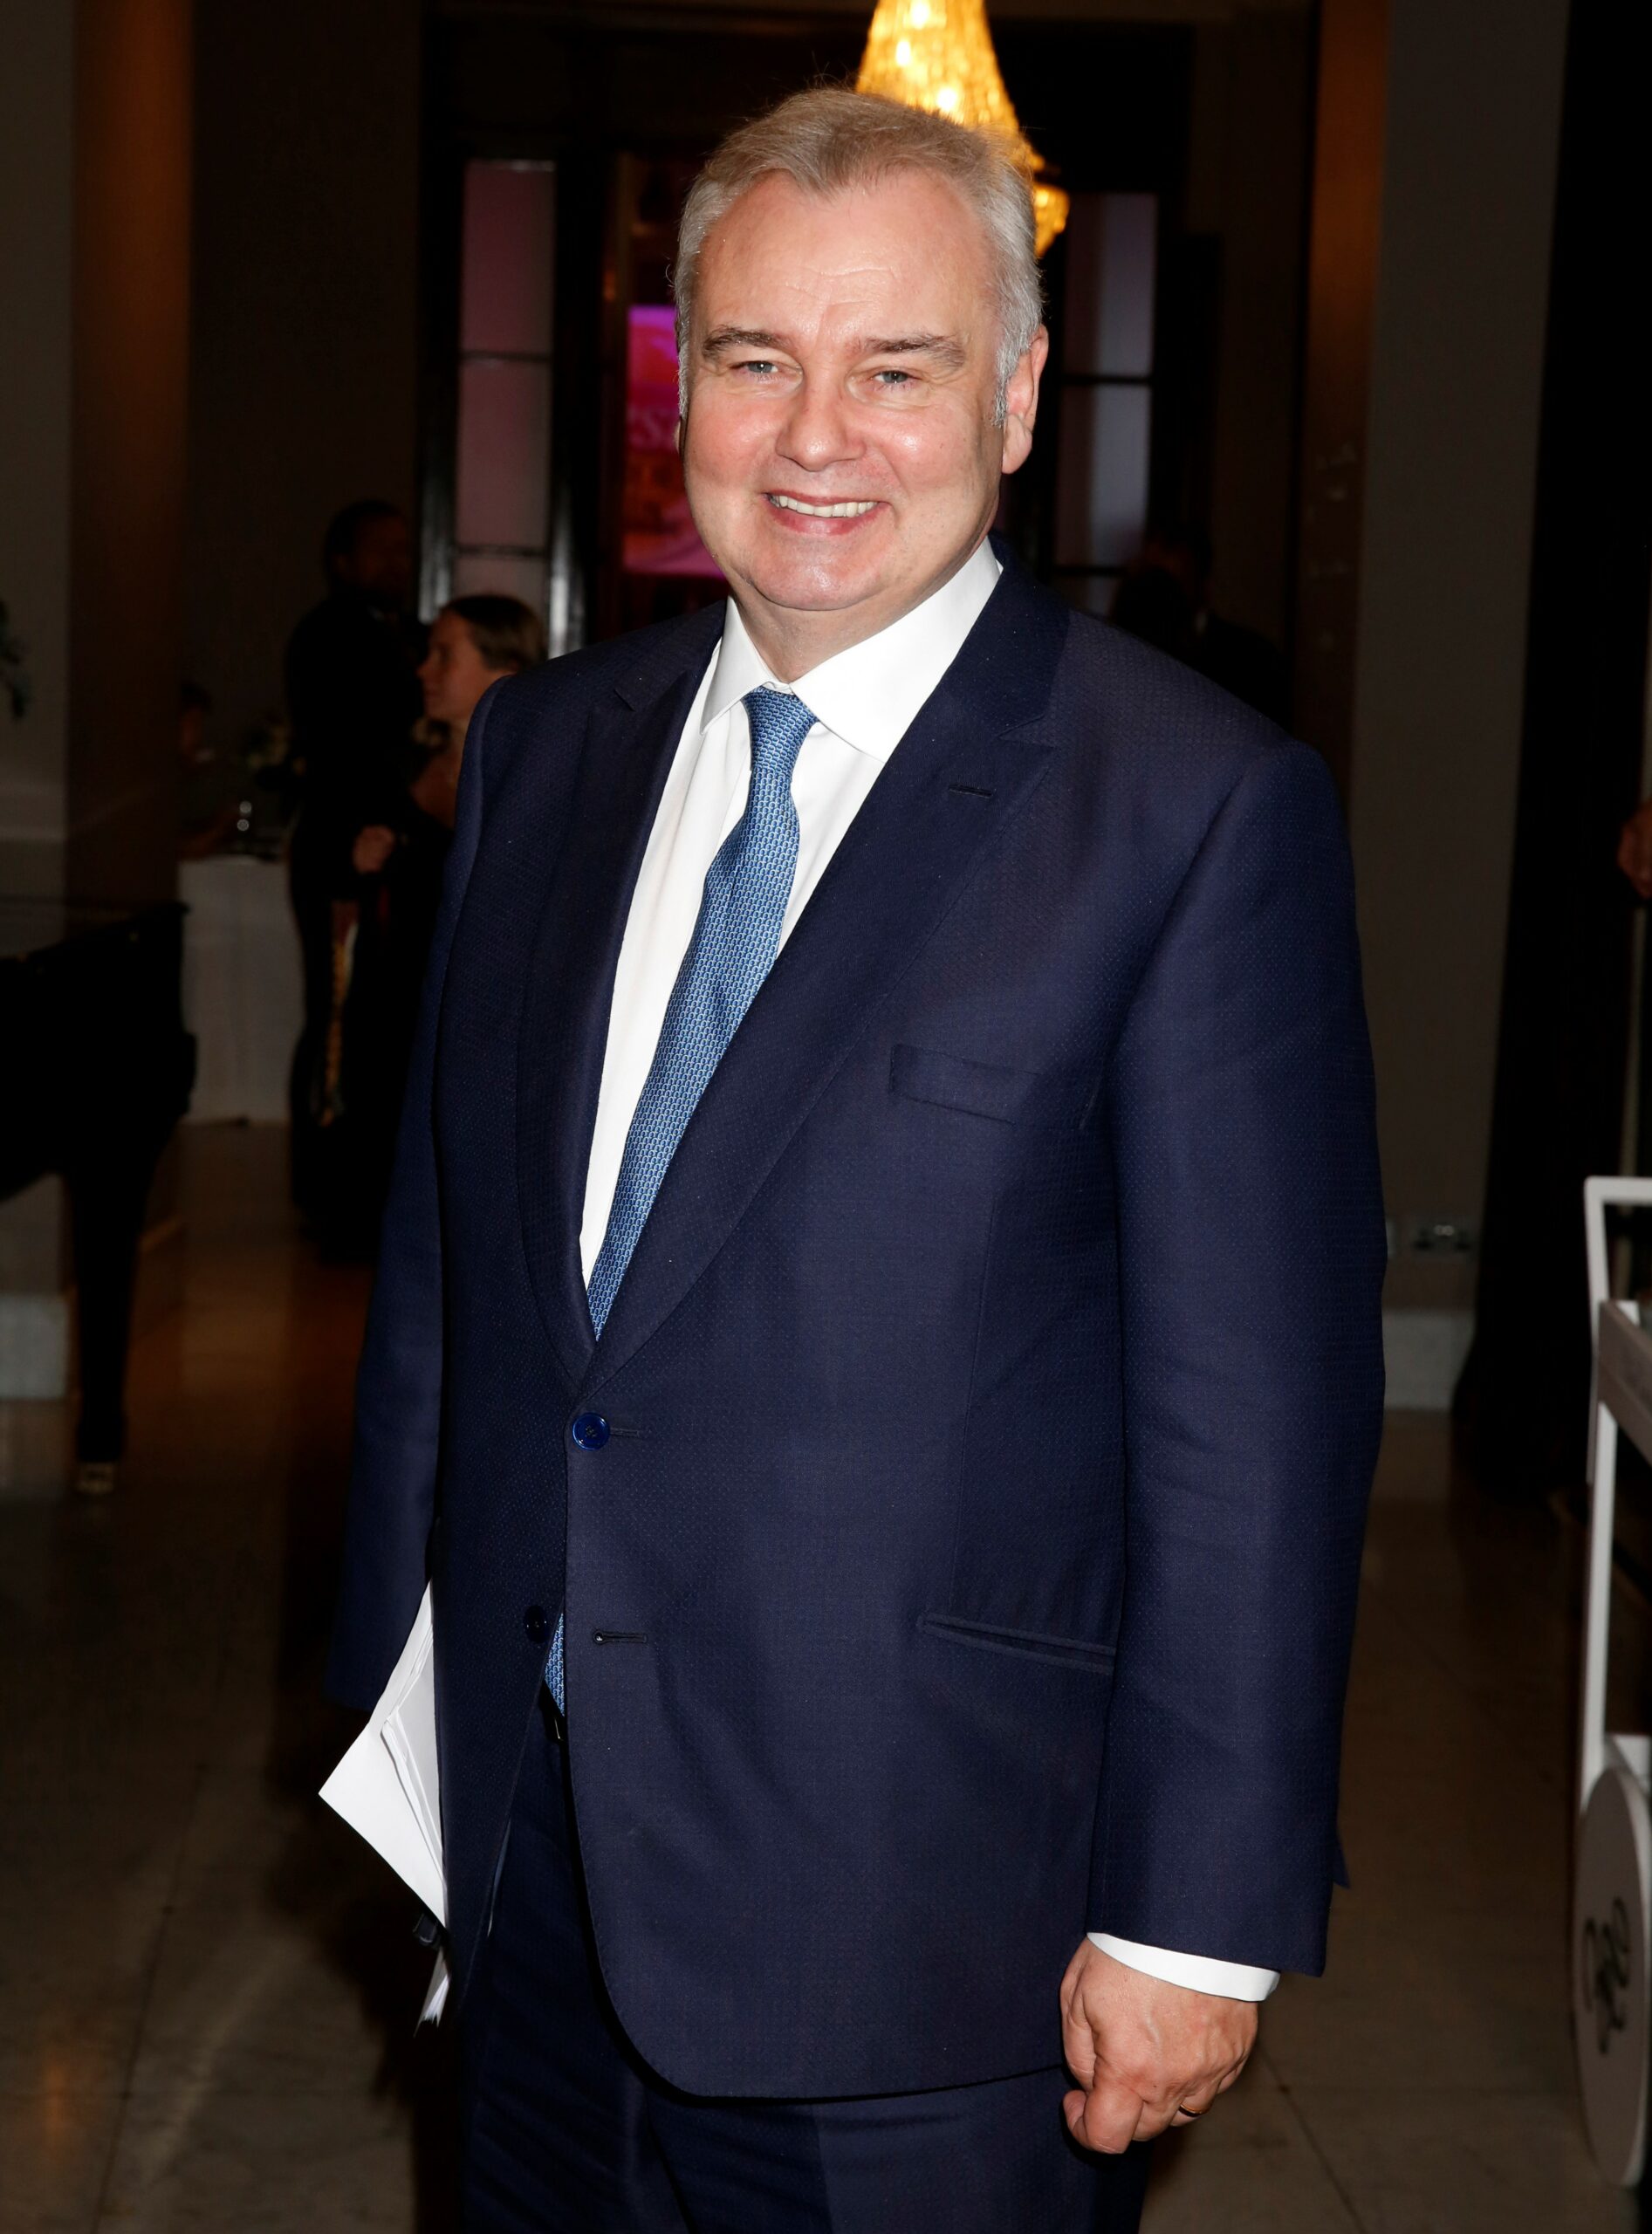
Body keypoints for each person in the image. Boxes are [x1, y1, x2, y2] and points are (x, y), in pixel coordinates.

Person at [329, 87, 1384, 2233]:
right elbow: (452, 1292)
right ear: (681, 394)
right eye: (754, 359)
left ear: (1014, 396)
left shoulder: (1187, 810)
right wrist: (403, 1736)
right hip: (534, 1883)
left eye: (896, 368)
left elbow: (1254, 1419)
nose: (815, 437)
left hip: (935, 1938)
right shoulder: (541, 753)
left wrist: (1193, 1911)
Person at [342, 595, 548, 1237]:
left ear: (502, 668)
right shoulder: (402, 765)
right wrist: (367, 858)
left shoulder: (538, 774)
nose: (424, 671)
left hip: (484, 1010)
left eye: (444, 656)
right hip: (396, 997)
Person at [284, 499, 424, 1216]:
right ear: (341, 560)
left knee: (372, 1018)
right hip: (341, 849)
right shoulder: (327, 636)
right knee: (337, 1015)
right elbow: (346, 757)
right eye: (380, 548)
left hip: (383, 849)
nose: (396, 562)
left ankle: (360, 1187)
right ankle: (325, 1190)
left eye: (404, 547)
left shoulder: (406, 632)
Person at [1112, 522, 1291, 726]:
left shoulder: (1253, 657)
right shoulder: (1123, 648)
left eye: (1172, 585)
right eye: (1151, 581)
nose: (1160, 596)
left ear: (1203, 586)